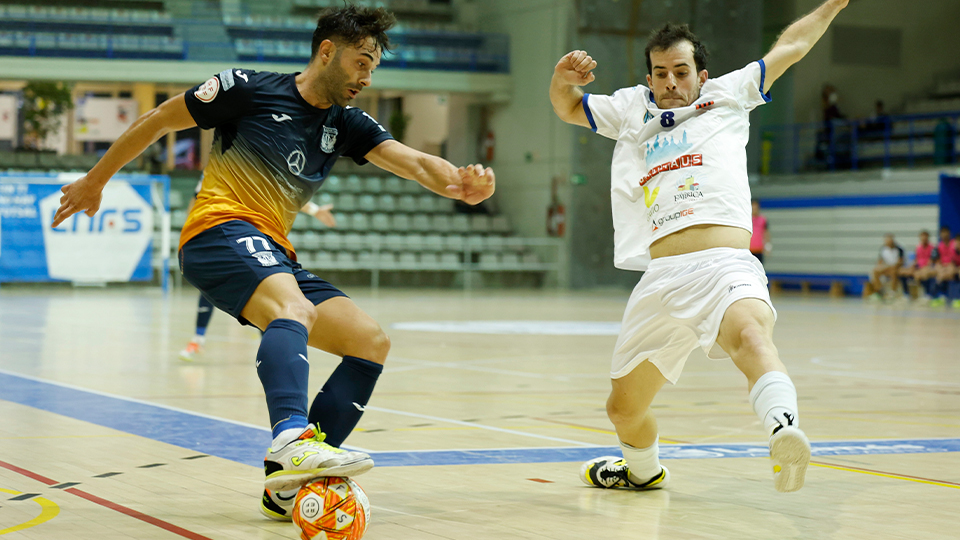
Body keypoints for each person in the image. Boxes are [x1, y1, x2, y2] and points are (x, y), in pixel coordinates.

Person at [51, 5, 494, 521]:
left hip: (272, 249)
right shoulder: (247, 88)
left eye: (374, 66)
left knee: (368, 341)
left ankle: (287, 485)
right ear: (327, 51)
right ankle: (290, 437)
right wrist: (95, 180)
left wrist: (456, 182)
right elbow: (156, 121)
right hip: (216, 231)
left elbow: (414, 161)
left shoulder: (346, 123)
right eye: (362, 60)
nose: (367, 76)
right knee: (293, 310)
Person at [550, 0, 851, 494]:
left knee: (751, 336)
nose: (671, 81)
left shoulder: (730, 93)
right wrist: (564, 78)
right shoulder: (630, 108)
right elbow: (565, 106)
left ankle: (784, 431)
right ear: (650, 78)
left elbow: (793, 46)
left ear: (701, 74)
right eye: (661, 72)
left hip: (723, 265)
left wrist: (833, 3)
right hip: (662, 278)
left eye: (681, 71)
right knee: (623, 410)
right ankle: (642, 472)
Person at [179, 177, 338, 361]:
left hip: (254, 239)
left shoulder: (249, 167)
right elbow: (195, 203)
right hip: (223, 239)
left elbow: (284, 191)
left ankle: (273, 349)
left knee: (265, 293)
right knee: (211, 290)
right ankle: (198, 340)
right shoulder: (212, 175)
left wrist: (315, 210)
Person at [898, 230, 936, 301]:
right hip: (918, 267)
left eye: (925, 237)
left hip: (927, 268)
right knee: (902, 272)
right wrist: (911, 267)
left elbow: (931, 262)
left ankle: (926, 294)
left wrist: (922, 269)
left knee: (922, 274)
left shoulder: (932, 248)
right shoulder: (918, 247)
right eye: (922, 237)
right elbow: (916, 260)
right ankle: (906, 294)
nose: (923, 238)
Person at [868, 233, 904, 301]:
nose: (888, 242)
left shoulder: (899, 249)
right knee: (875, 271)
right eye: (886, 240)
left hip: (895, 268)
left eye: (890, 240)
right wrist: (879, 267)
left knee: (894, 272)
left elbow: (900, 262)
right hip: (886, 268)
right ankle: (878, 292)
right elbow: (880, 261)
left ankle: (893, 293)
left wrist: (891, 267)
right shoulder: (883, 249)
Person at [930, 226, 959, 307]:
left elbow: (955, 258)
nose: (944, 235)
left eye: (946, 233)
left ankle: (953, 296)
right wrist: (941, 269)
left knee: (951, 272)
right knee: (937, 272)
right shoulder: (939, 246)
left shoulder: (954, 243)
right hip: (943, 267)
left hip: (953, 265)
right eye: (942, 233)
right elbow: (938, 261)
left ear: (949, 234)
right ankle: (937, 296)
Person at [750, 199, 770, 264]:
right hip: (749, 249)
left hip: (759, 249)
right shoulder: (747, 219)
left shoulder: (763, 219)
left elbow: (766, 232)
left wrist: (767, 245)